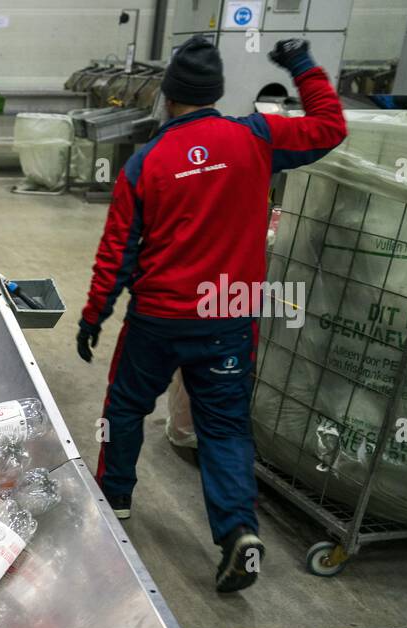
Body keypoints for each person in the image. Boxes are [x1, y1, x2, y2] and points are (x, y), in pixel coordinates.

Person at [76, 36, 346, 592]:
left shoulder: (147, 160)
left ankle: (118, 499)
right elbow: (329, 127)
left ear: (168, 96)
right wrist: (301, 65)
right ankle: (237, 533)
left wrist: (94, 315)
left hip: (159, 319)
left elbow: (118, 251)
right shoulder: (257, 136)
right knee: (223, 428)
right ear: (216, 93)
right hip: (229, 316)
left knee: (125, 407)